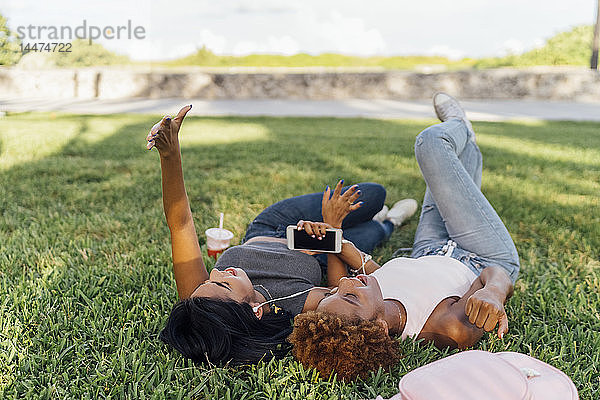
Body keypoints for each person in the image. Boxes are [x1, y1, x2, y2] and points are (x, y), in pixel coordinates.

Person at [145, 105, 418, 366]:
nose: (216, 273)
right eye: (224, 284)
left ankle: (376, 213)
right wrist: (333, 231)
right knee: (371, 231)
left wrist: (169, 153)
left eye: (213, 278)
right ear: (254, 310)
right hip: (319, 247)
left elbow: (180, 224)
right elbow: (340, 286)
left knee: (373, 194)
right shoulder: (297, 307)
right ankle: (390, 220)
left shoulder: (200, 303)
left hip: (272, 227)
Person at [288, 93, 521, 381]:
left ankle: (467, 141)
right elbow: (494, 273)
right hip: (483, 253)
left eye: (334, 291)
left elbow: (351, 264)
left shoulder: (363, 294)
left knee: (458, 164)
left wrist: (332, 229)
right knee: (431, 145)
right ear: (379, 329)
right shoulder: (447, 328)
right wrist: (493, 292)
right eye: (348, 295)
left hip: (428, 246)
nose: (344, 282)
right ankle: (459, 124)